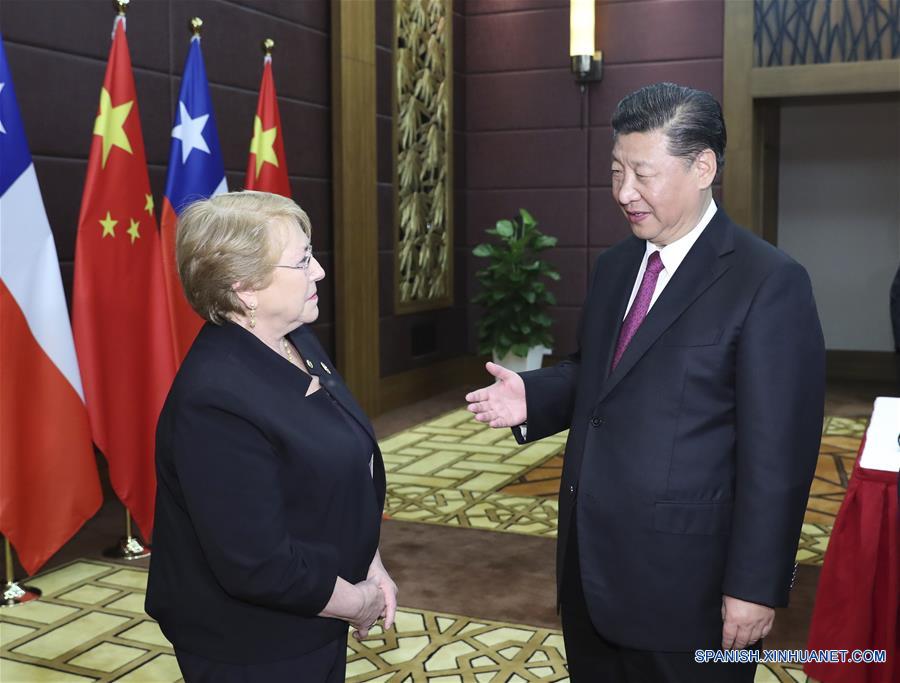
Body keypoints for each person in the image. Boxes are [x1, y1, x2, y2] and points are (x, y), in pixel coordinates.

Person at [466, 83, 825, 682]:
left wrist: (755, 585)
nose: (624, 192)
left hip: (691, 588)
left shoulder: (767, 282)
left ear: (703, 167)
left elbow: (779, 458)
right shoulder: (615, 266)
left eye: (643, 174)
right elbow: (598, 372)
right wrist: (536, 394)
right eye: (616, 172)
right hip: (591, 568)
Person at [146, 190, 397, 682]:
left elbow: (338, 468)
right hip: (254, 643)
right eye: (302, 261)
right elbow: (257, 563)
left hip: (315, 611)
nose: (319, 271)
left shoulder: (293, 338)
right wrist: (357, 602)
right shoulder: (214, 401)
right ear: (245, 289)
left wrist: (370, 563)